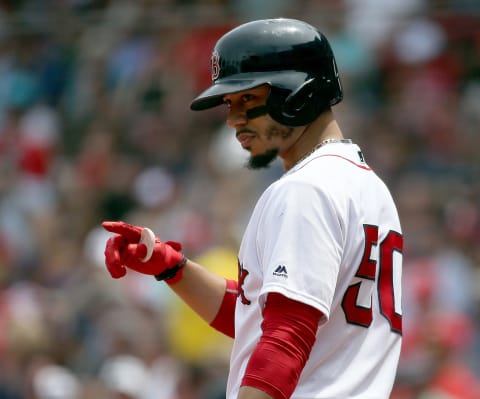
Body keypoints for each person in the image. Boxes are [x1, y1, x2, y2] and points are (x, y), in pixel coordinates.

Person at [102, 18, 404, 399]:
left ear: (297, 94)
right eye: (231, 104)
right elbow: (258, 319)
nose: (233, 119)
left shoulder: (305, 189)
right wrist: (171, 267)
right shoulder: (370, 189)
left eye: (247, 99)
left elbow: (286, 335)